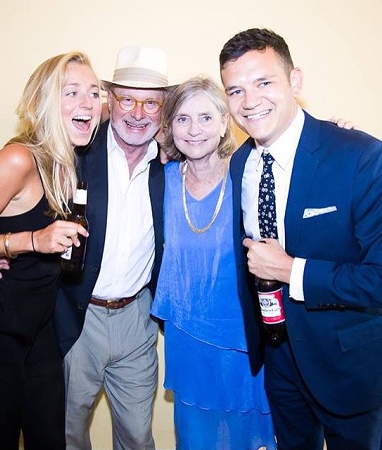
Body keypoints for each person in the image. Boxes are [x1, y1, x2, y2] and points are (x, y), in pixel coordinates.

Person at [219, 28, 382, 450]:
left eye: (264, 83)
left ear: (295, 82)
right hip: (278, 359)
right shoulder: (241, 163)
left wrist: (291, 270)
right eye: (235, 90)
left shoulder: (359, 155)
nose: (250, 102)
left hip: (348, 366)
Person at [0, 52, 102, 450]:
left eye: (94, 94)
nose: (88, 103)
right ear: (45, 102)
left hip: (40, 330)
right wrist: (29, 241)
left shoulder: (69, 158)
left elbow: (135, 111)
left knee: (50, 440)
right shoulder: (18, 159)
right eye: (72, 93)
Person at [150, 76, 277, 450]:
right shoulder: (160, 179)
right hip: (187, 339)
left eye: (206, 118)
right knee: (197, 439)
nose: (194, 130)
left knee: (254, 438)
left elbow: (301, 163)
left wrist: (335, 130)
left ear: (225, 122)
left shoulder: (249, 174)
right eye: (183, 119)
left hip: (244, 337)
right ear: (169, 127)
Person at [53, 45, 167, 450]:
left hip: (138, 319)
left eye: (151, 103)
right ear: (110, 100)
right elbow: (23, 178)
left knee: (138, 436)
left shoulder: (172, 163)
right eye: (126, 99)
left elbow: (229, 152)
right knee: (66, 433)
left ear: (163, 108)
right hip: (77, 314)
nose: (138, 113)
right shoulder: (77, 148)